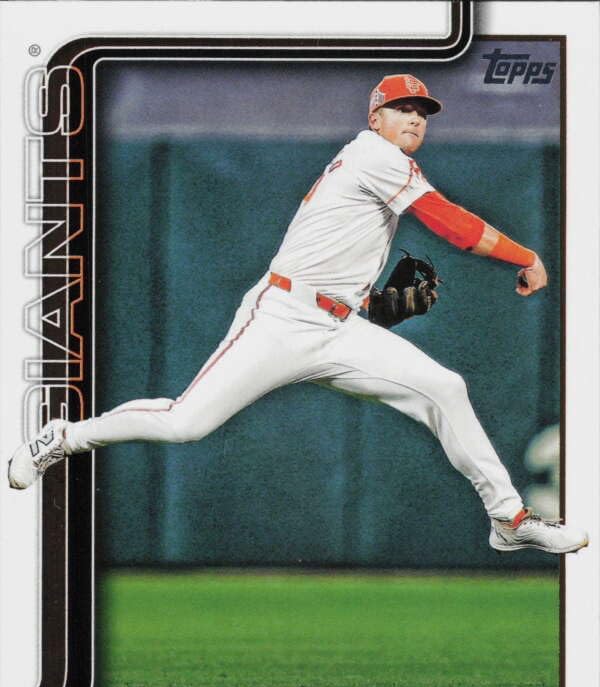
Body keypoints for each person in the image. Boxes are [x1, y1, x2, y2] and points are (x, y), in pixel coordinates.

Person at [8, 74, 588, 554]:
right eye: (402, 109)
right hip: (283, 318)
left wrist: (370, 304)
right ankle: (65, 437)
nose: (415, 119)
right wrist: (525, 255)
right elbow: (449, 224)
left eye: (422, 113)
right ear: (376, 119)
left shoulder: (387, 164)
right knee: (185, 423)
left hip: (340, 327)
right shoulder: (374, 154)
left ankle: (509, 519)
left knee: (445, 388)